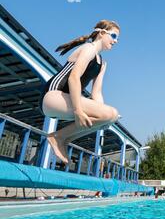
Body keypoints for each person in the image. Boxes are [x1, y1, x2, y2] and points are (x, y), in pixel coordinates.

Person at [39, 21, 120, 164]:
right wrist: (78, 111)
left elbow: (97, 93)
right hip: (52, 95)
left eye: (117, 38)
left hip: (66, 100)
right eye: (113, 36)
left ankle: (63, 139)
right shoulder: (88, 48)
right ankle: (58, 137)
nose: (115, 41)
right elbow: (74, 77)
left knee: (110, 116)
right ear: (101, 33)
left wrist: (104, 117)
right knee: (110, 113)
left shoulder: (102, 64)